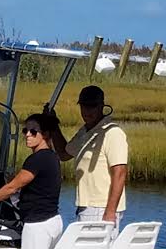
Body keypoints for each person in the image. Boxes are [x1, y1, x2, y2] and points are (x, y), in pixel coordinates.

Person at [0, 113, 62, 249]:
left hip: (37, 225)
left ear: (45, 134)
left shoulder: (36, 159)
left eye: (33, 131)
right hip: (53, 221)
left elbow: (12, 188)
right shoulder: (52, 157)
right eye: (25, 131)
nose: (28, 135)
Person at [51, 85, 128, 237]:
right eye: (84, 106)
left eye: (92, 106)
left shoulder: (112, 132)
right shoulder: (85, 131)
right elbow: (64, 154)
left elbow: (120, 173)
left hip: (101, 208)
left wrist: (110, 212)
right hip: (86, 206)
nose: (87, 111)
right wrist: (53, 125)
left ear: (102, 106)